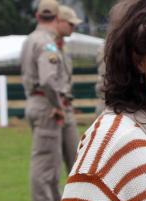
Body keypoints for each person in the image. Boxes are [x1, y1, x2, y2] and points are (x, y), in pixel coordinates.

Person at [21, 0, 66, 201]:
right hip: (45, 103)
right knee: (45, 161)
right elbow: (48, 79)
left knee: (50, 157)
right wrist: (57, 105)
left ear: (38, 17)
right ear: (57, 19)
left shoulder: (30, 39)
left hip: (33, 101)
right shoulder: (47, 44)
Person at [56, 5, 83, 173]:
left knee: (76, 157)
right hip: (53, 107)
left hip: (65, 106)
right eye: (70, 24)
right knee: (51, 162)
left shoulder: (63, 46)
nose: (73, 28)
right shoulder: (48, 45)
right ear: (59, 21)